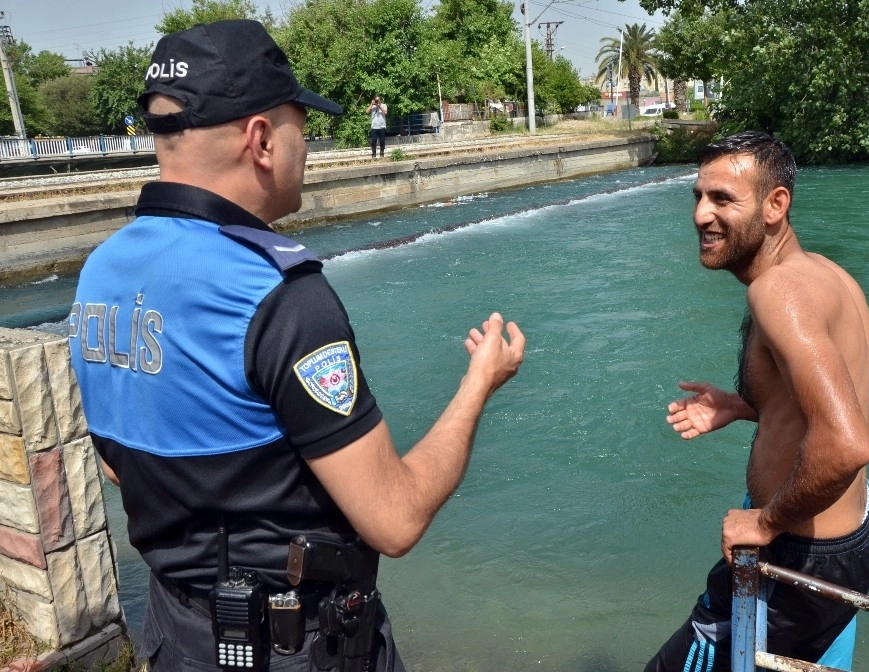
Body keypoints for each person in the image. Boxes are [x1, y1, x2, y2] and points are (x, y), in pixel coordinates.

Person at [66, 20, 525, 672]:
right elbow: (394, 521)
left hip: (174, 634)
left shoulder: (101, 274)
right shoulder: (279, 297)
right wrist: (479, 382)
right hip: (296, 646)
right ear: (260, 139)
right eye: (300, 126)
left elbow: (119, 462)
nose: (306, 144)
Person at [645, 131, 869, 672]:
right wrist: (744, 405)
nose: (702, 215)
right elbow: (833, 404)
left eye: (724, 199)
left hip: (800, 561)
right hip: (850, 540)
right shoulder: (828, 274)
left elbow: (848, 443)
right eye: (698, 196)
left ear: (776, 205)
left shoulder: (778, 292)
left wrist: (767, 521)